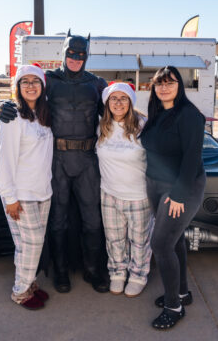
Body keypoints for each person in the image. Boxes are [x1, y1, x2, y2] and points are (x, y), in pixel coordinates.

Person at [0, 30, 109, 293]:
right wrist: (0, 107)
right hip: (56, 160)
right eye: (71, 53)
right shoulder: (49, 82)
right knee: (58, 221)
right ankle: (60, 272)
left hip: (86, 158)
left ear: (87, 55)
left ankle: (93, 270)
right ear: (63, 52)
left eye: (81, 54)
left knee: (93, 219)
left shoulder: (97, 84)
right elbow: (26, 98)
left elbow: (119, 111)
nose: (75, 58)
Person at [140, 66, 206, 330]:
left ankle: (173, 307)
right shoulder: (156, 114)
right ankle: (181, 292)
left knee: (161, 244)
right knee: (173, 239)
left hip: (181, 188)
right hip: (155, 184)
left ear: (180, 85)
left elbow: (192, 158)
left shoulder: (190, 115)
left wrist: (178, 195)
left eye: (170, 83)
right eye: (159, 84)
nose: (164, 88)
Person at [0, 64, 53, 310]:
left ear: (42, 86)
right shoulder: (12, 118)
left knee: (25, 245)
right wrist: (9, 197)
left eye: (35, 81)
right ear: (18, 87)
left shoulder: (44, 115)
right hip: (21, 193)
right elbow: (5, 160)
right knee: (34, 243)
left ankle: (28, 284)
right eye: (25, 81)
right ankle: (20, 292)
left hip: (43, 191)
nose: (31, 86)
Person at [96, 82, 153, 297]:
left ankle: (138, 275)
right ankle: (117, 272)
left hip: (139, 196)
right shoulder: (101, 126)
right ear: (107, 102)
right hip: (109, 194)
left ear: (130, 102)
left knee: (139, 241)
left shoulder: (144, 126)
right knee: (114, 238)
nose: (118, 103)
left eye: (123, 98)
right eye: (113, 98)